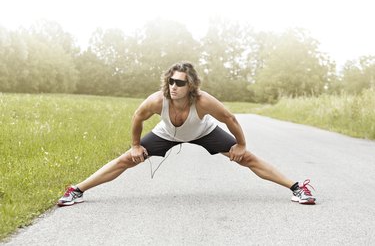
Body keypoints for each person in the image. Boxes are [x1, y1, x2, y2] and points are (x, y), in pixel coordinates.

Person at [57, 62, 316, 206]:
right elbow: (138, 116)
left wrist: (241, 144)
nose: (173, 86)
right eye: (171, 81)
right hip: (166, 133)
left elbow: (230, 118)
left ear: (190, 85)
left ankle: (297, 188)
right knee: (126, 159)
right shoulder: (158, 100)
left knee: (247, 158)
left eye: (179, 82)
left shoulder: (203, 101)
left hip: (203, 132)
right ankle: (76, 191)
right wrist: (136, 145)